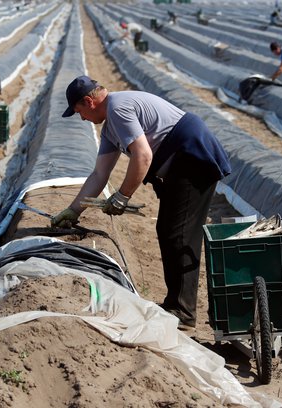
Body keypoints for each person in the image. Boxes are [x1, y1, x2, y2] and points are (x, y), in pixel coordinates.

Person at [52, 76, 231, 330]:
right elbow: (99, 175)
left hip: (192, 156)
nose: (82, 119)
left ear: (89, 101)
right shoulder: (110, 128)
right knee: (169, 230)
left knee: (177, 233)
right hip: (178, 163)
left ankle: (182, 311)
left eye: (80, 112)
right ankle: (176, 306)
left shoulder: (118, 109)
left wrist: (123, 196)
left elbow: (143, 155)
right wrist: (73, 210)